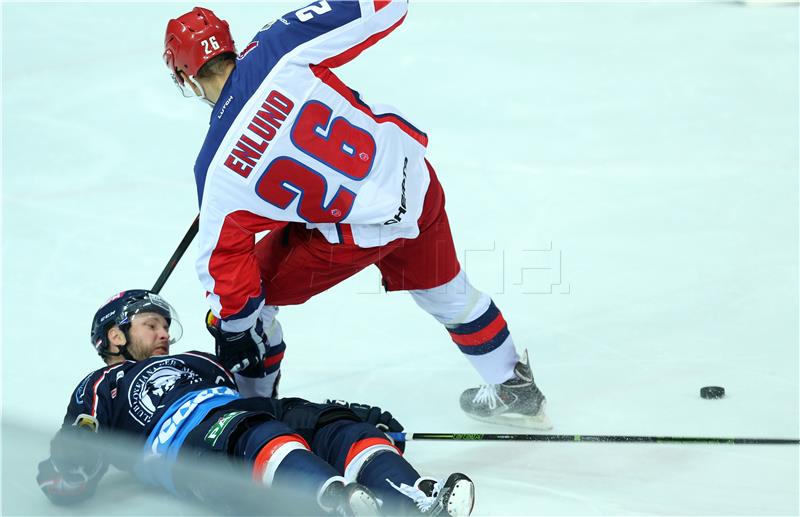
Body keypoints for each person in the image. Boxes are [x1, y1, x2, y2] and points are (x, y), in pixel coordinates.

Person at [162, 0, 550, 429]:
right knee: (449, 293)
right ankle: (513, 384)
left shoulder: (216, 170)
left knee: (253, 310)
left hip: (351, 236)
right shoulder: (277, 45)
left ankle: (251, 424)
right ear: (229, 46)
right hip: (414, 186)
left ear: (185, 76)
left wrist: (234, 331)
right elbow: (382, 6)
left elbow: (226, 267)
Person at [36, 290, 475, 516]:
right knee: (263, 435)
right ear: (116, 335)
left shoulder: (198, 361)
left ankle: (414, 498)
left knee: (339, 428)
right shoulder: (101, 383)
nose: (165, 334)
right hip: (189, 446)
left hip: (241, 414)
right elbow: (75, 473)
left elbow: (257, 397)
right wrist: (70, 460)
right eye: (151, 325)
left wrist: (351, 418)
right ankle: (336, 502)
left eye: (166, 326)